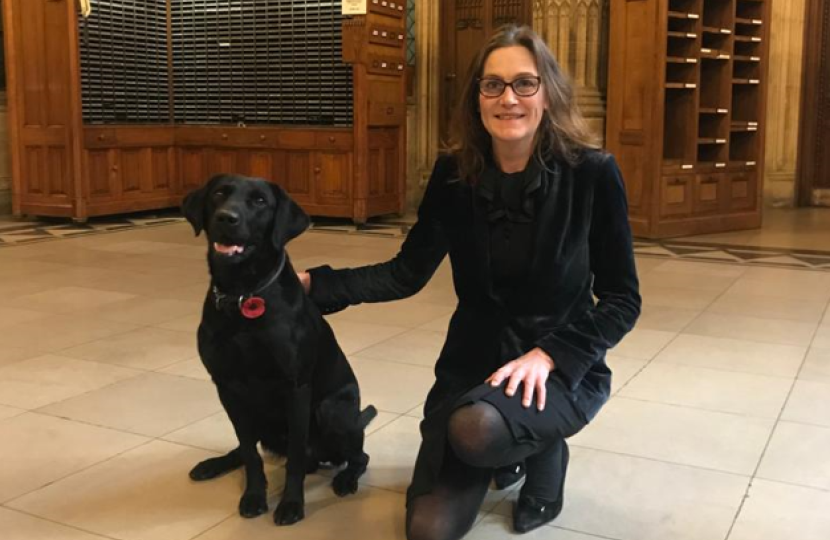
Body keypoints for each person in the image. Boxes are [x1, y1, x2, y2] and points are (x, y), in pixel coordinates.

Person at [298, 24, 640, 540]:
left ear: (547, 94)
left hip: (558, 366)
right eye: (493, 85)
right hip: (473, 363)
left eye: (524, 83)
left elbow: (622, 300)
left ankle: (545, 455)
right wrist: (313, 285)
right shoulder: (454, 175)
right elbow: (405, 272)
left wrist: (549, 355)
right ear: (477, 97)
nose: (508, 98)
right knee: (428, 530)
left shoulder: (592, 173)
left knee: (475, 429)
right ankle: (506, 443)